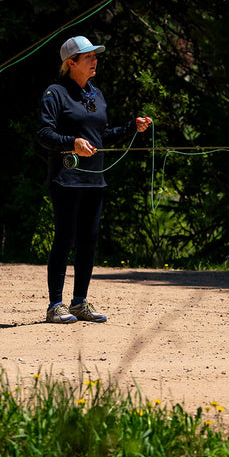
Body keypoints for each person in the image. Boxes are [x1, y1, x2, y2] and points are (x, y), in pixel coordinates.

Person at [36, 35, 152, 324]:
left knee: (89, 239)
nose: (94, 60)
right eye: (88, 56)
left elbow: (102, 136)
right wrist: (71, 142)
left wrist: (132, 128)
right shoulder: (55, 93)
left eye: (94, 55)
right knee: (65, 238)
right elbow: (44, 134)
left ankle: (79, 302)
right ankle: (55, 305)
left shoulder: (96, 95)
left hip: (94, 180)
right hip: (65, 178)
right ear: (71, 62)